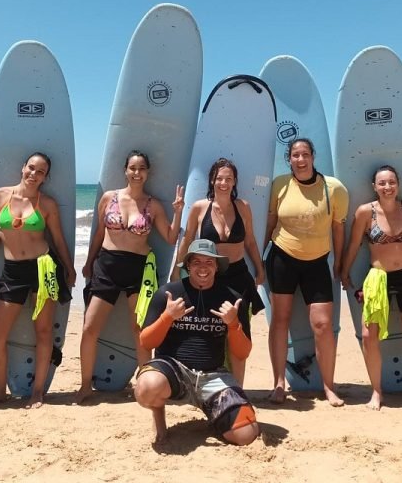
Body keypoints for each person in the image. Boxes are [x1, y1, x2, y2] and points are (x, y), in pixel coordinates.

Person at [76, 150, 184, 403]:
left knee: (140, 329)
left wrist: (178, 211)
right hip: (107, 267)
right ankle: (84, 385)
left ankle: (144, 382)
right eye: (133, 168)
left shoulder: (153, 205)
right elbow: (99, 234)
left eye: (142, 168)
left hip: (138, 269)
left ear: (148, 172)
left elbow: (169, 237)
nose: (137, 173)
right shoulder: (108, 198)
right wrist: (90, 262)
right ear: (125, 170)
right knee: (90, 327)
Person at [135, 239, 259, 446]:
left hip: (213, 376)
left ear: (217, 267)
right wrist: (167, 317)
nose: (203, 268)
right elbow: (146, 342)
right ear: (188, 266)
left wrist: (233, 324)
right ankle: (159, 419)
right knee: (147, 387)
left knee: (247, 435)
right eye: (197, 262)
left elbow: (242, 352)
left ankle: (215, 415)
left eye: (209, 262)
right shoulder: (168, 294)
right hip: (174, 371)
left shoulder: (232, 300)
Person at [0, 152, 77, 409]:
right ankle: (0, 390)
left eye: (40, 172)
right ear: (23, 167)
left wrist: (69, 268)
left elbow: (58, 240)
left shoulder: (47, 204)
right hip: (12, 271)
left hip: (44, 269)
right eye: (31, 168)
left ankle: (37, 392)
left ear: (46, 177)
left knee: (44, 332)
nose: (33, 174)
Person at [340, 165, 402, 410]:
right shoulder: (365, 212)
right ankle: (376, 391)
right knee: (370, 337)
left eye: (391, 182)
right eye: (382, 183)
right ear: (374, 186)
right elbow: (353, 244)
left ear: (398, 184)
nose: (387, 187)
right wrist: (344, 270)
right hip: (377, 278)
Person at [264, 138, 349, 405]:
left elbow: (338, 227)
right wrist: (258, 259)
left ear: (313, 156)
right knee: (280, 319)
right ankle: (279, 383)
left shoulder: (333, 188)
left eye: (305, 155)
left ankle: (329, 386)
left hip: (317, 262)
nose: (300, 160)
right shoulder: (279, 184)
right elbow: (270, 222)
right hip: (282, 258)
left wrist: (339, 261)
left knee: (323, 325)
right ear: (289, 159)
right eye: (295, 155)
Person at [174, 158, 265, 384]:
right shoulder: (199, 208)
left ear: (235, 182)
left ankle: (238, 388)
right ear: (212, 181)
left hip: (238, 276)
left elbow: (251, 241)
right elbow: (186, 243)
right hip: (208, 277)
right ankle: (202, 385)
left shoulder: (243, 207)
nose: (223, 183)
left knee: (239, 332)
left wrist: (259, 268)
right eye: (219, 178)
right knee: (207, 331)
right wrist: (177, 273)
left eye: (229, 179)